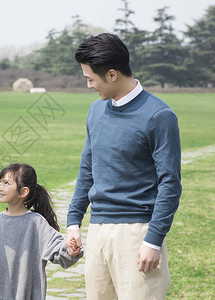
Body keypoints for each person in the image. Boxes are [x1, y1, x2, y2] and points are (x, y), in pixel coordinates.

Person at [66, 33, 182, 300]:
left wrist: (153, 240)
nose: (88, 86)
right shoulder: (96, 111)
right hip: (97, 231)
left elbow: (170, 184)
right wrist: (74, 222)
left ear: (112, 74)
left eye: (90, 79)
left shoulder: (159, 116)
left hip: (137, 232)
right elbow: (87, 169)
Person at [0, 163, 83, 300]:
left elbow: (57, 248)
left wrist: (70, 250)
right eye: (0, 182)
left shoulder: (36, 223)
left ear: (23, 192)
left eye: (6, 183)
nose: (0, 188)